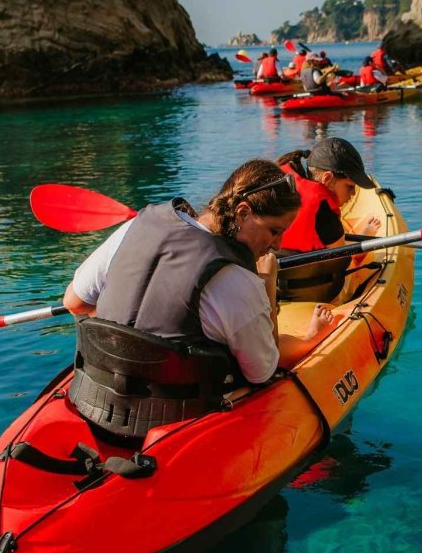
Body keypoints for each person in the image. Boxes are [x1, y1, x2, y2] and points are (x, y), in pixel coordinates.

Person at [61, 159, 337, 439]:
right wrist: (266, 281)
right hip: (171, 424)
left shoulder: (137, 225)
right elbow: (262, 372)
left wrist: (125, 338)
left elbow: (74, 302)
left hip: (96, 401)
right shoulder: (237, 281)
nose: (277, 244)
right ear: (242, 213)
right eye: (274, 230)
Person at [274, 138, 383, 301]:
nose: (353, 195)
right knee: (345, 257)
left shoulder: (275, 181)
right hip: (314, 293)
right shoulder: (324, 210)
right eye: (350, 186)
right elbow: (341, 258)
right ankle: (363, 237)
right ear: (327, 179)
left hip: (271, 288)